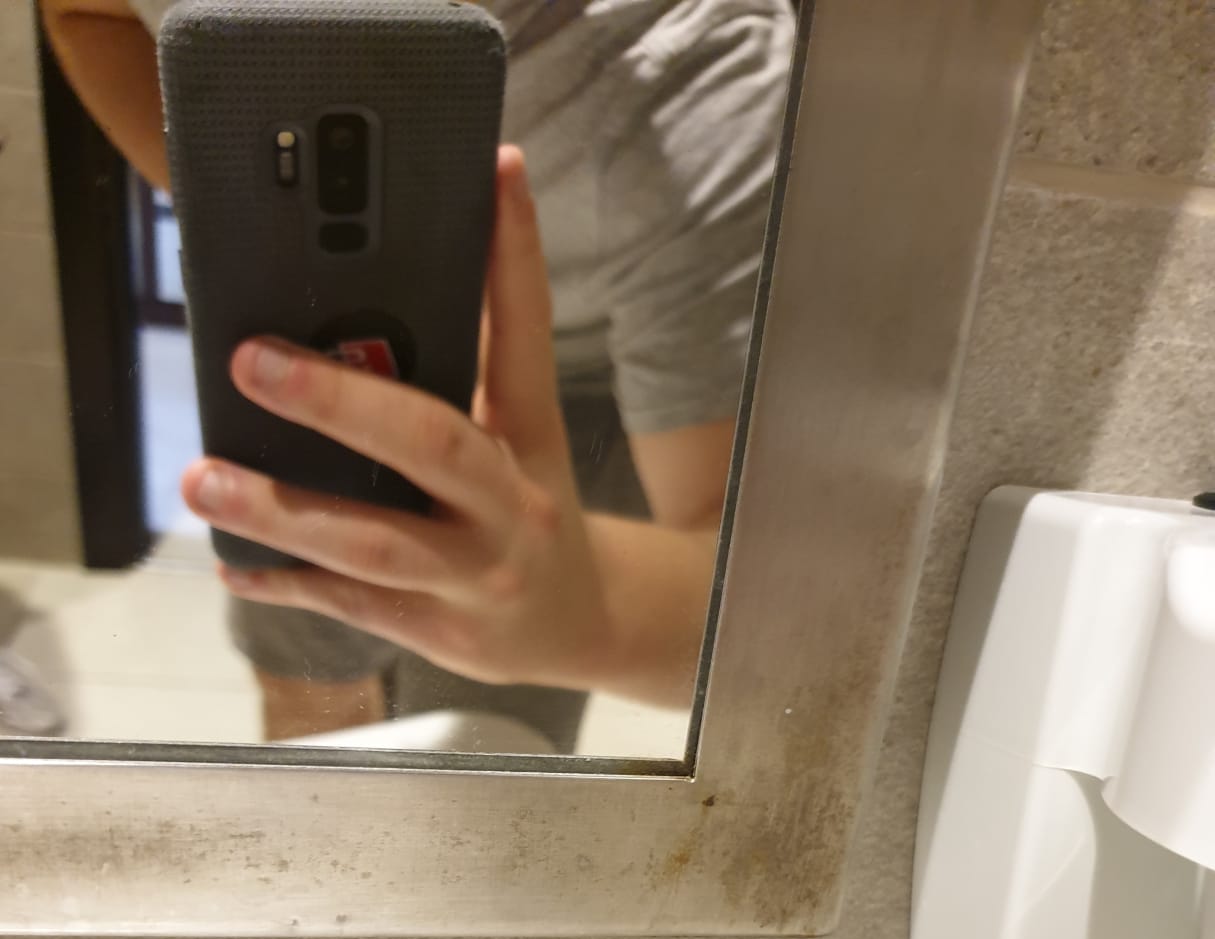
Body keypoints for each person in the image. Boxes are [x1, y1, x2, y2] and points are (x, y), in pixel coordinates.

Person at [42, 0, 795, 748]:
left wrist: (591, 617)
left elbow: (751, 614)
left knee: (485, 744)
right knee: (309, 692)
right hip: (310, 351)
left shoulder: (704, 69)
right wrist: (228, 215)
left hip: (576, 397)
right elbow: (84, 13)